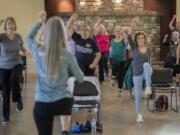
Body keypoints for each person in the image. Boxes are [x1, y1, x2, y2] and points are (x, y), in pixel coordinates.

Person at [27, 11, 84, 135]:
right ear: (62, 33)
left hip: (42, 104)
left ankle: (64, 130)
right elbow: (80, 78)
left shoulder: (38, 50)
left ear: (46, 33)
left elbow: (29, 38)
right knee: (68, 100)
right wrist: (68, 73)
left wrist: (39, 23)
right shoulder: (67, 55)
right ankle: (64, 130)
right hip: (63, 103)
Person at [0, 17, 27, 125]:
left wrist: (25, 51)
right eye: (8, 23)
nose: (11, 25)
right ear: (6, 25)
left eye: (12, 23)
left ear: (15, 25)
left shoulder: (18, 36)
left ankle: (18, 100)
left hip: (16, 63)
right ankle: (6, 117)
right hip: (2, 66)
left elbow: (22, 48)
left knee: (14, 79)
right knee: (6, 91)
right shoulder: (2, 37)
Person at [128, 18, 153, 123]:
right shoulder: (134, 48)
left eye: (142, 38)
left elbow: (150, 62)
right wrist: (132, 24)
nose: (140, 40)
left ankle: (148, 86)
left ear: (145, 39)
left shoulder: (149, 50)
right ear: (136, 40)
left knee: (147, 64)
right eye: (138, 38)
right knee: (137, 95)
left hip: (147, 72)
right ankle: (139, 115)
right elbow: (129, 36)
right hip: (137, 73)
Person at [109, 25, 130, 96]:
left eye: (119, 30)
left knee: (121, 75)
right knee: (116, 64)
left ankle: (119, 91)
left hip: (122, 59)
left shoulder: (123, 41)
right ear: (114, 32)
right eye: (116, 30)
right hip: (112, 58)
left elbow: (126, 41)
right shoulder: (111, 40)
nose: (118, 32)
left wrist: (123, 32)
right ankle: (113, 77)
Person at [94, 16, 110, 85]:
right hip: (99, 52)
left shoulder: (107, 35)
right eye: (100, 28)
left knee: (105, 59)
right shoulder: (96, 35)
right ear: (98, 30)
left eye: (102, 28)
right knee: (100, 65)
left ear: (104, 29)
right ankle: (101, 80)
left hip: (106, 51)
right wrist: (98, 21)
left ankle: (106, 72)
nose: (101, 29)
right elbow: (94, 28)